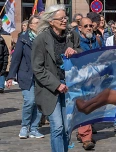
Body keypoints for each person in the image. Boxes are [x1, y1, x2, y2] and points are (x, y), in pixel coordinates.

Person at [31, 4, 81, 152]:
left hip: (69, 87)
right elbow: (37, 68)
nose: (64, 21)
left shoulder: (72, 35)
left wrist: (75, 51)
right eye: (61, 18)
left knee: (66, 128)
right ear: (51, 21)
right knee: (57, 127)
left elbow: (82, 52)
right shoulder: (41, 40)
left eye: (65, 17)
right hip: (50, 89)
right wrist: (56, 84)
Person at [6, 15, 44, 139]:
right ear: (31, 26)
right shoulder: (23, 39)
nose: (39, 24)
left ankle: (34, 128)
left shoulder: (44, 38)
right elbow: (16, 59)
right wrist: (10, 76)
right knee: (29, 100)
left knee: (39, 103)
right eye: (37, 22)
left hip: (41, 75)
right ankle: (24, 126)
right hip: (26, 74)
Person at [75, 17, 106, 150]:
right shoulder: (75, 41)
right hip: (81, 79)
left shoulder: (98, 40)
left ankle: (81, 131)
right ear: (80, 28)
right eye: (86, 26)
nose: (89, 28)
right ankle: (86, 137)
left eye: (90, 26)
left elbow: (105, 55)